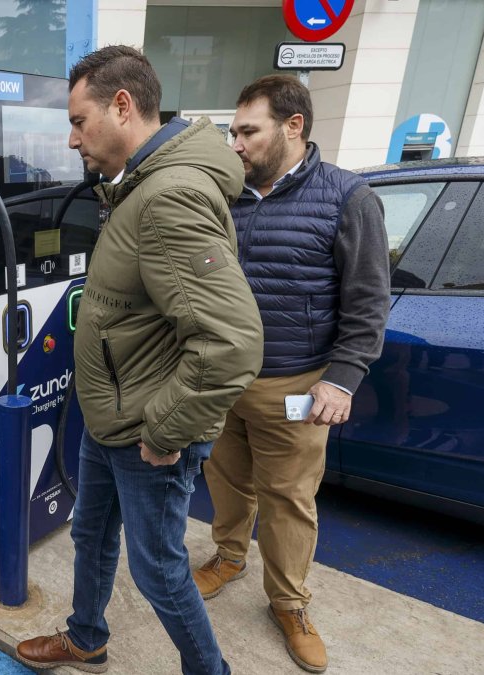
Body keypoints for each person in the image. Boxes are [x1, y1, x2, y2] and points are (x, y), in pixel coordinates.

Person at [16, 46, 262, 675]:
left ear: (122, 106)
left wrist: (164, 433)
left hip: (148, 431)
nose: (73, 140)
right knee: (91, 534)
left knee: (157, 569)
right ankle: (86, 636)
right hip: (112, 420)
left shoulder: (166, 199)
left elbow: (231, 343)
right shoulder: (139, 185)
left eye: (79, 121)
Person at [193, 75, 390, 674]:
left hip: (297, 385)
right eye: (232, 132)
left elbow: (368, 302)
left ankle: (289, 602)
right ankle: (228, 557)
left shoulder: (348, 199)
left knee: (288, 500)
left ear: (294, 127)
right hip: (224, 380)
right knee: (225, 480)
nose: (237, 144)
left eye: (247, 131)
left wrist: (343, 378)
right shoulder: (227, 196)